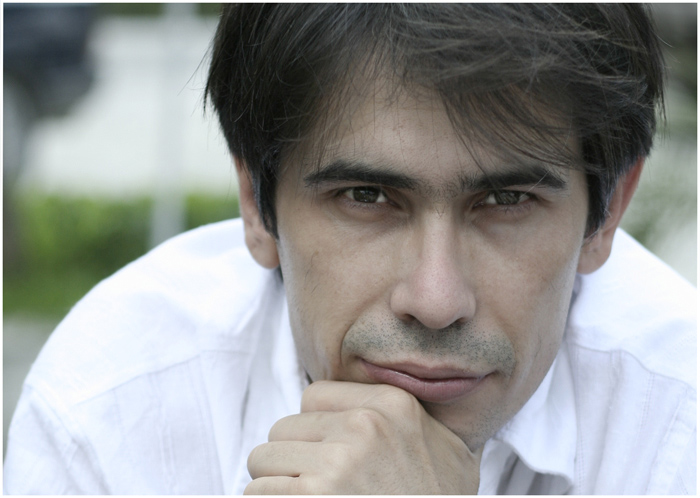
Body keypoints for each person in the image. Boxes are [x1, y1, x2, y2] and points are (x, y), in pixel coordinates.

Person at [4, 4, 696, 494]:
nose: (435, 300)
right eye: (366, 196)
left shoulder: (679, 418)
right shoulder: (112, 401)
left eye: (506, 200)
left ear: (607, 212)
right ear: (257, 202)